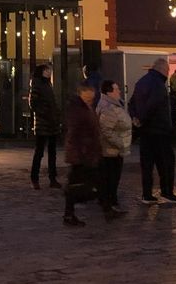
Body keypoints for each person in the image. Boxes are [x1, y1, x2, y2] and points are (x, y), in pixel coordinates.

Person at [64, 79, 117, 225]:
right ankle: (70, 213)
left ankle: (106, 209)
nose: (90, 101)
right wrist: (82, 153)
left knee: (99, 181)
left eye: (91, 98)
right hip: (82, 154)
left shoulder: (86, 108)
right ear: (81, 94)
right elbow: (74, 134)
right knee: (81, 185)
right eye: (87, 98)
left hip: (89, 152)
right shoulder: (77, 110)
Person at [129, 57, 176, 205]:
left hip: (145, 132)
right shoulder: (158, 85)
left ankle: (147, 194)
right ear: (163, 70)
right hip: (159, 130)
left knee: (147, 164)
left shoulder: (141, 82)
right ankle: (167, 192)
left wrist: (136, 118)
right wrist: (142, 118)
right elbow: (153, 105)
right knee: (166, 162)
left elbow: (132, 102)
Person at [96, 78, 131, 214]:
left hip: (114, 149)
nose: (119, 91)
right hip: (110, 150)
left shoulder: (114, 104)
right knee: (111, 178)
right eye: (116, 89)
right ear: (109, 92)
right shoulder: (108, 107)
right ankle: (109, 204)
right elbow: (107, 130)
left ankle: (110, 202)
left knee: (112, 178)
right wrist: (120, 143)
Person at [29, 64, 62, 190]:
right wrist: (46, 114)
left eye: (50, 70)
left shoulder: (48, 84)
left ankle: (53, 178)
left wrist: (56, 115)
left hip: (52, 123)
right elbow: (33, 104)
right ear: (41, 71)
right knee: (39, 152)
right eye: (47, 70)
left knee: (52, 153)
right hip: (43, 123)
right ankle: (34, 178)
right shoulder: (37, 84)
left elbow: (53, 102)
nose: (49, 72)